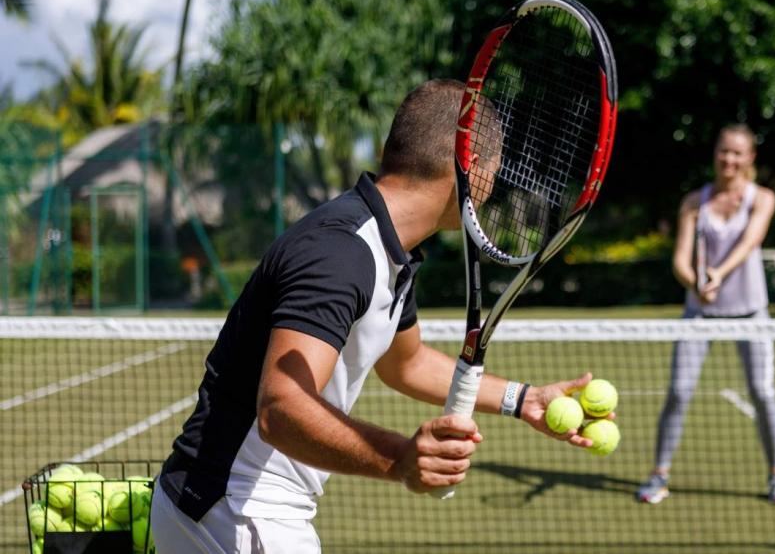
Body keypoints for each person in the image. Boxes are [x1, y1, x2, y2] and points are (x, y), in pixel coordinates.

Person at [151, 79, 601, 553]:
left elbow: (406, 364)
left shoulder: (388, 250)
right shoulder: (341, 251)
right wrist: (401, 458)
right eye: (496, 162)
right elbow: (280, 410)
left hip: (238, 506)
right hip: (236, 506)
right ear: (470, 167)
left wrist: (523, 398)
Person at [635, 124, 775, 506]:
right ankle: (659, 474)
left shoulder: (764, 198)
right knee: (678, 391)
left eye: (738, 153)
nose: (729, 159)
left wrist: (719, 274)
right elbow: (679, 259)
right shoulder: (695, 202)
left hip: (751, 313)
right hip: (700, 315)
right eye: (724, 151)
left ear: (750, 158)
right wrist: (695, 285)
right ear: (716, 154)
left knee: (762, 392)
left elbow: (750, 240)